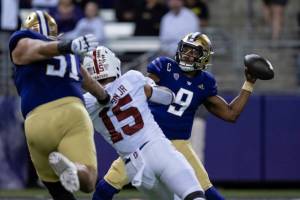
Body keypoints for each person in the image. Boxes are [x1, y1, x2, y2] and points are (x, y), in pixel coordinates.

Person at [92, 32, 259, 200]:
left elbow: (231, 114)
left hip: (179, 144)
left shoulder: (205, 83)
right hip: (146, 140)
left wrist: (249, 83)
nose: (187, 54)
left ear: (204, 57)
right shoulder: (165, 66)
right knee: (106, 187)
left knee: (208, 193)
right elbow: (143, 87)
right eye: (185, 50)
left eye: (193, 52)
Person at [8, 10, 110, 200]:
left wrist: (103, 96)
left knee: (57, 191)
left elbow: (36, 49)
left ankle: (69, 171)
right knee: (87, 181)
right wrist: (104, 97)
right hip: (71, 114)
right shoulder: (68, 53)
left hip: (35, 123)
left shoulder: (27, 41)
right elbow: (86, 79)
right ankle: (74, 168)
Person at [83, 46, 206, 200]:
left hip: (135, 168)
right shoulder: (132, 78)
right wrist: (148, 90)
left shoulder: (86, 103)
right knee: (194, 195)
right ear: (114, 64)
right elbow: (168, 98)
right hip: (158, 149)